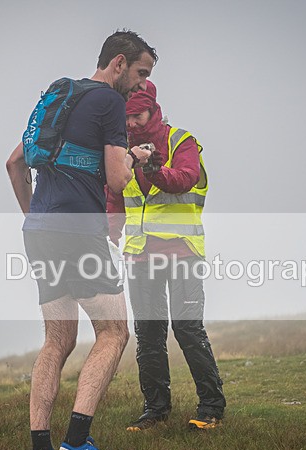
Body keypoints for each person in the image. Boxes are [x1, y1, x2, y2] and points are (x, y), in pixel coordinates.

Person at [5, 30, 157, 450]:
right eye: (140, 72)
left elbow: (14, 162)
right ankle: (77, 444)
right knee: (113, 332)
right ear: (119, 63)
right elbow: (115, 180)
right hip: (77, 231)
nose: (141, 85)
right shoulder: (109, 102)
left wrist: (34, 216)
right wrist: (135, 158)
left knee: (57, 340)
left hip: (40, 230)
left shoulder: (61, 96)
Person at [107, 81, 226, 431]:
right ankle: (155, 411)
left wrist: (153, 168)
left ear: (153, 110)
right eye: (125, 117)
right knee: (148, 333)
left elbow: (186, 179)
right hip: (140, 256)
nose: (131, 124)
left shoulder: (180, 142)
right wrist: (110, 228)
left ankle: (212, 409)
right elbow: (115, 191)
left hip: (182, 253)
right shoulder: (122, 149)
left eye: (137, 115)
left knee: (188, 329)